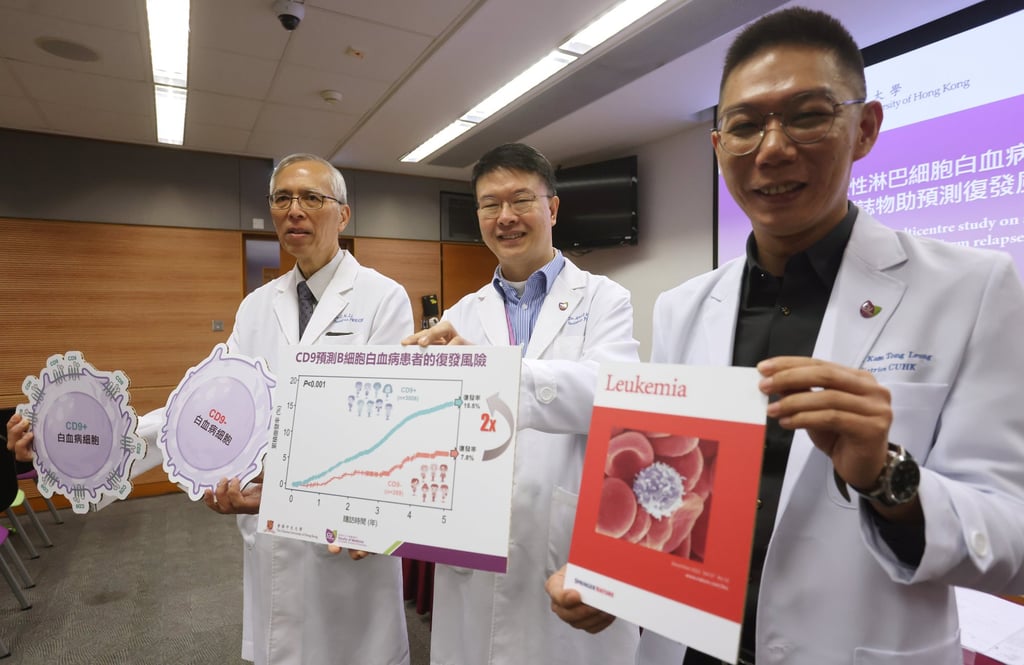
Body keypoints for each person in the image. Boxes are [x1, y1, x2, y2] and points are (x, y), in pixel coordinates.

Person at [546, 7, 1024, 665]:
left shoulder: (973, 290)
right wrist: (611, 579)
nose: (772, 147)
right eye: (744, 125)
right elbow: (672, 493)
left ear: (865, 128)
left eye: (807, 115)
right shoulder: (686, 307)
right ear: (720, 148)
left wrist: (887, 477)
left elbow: (1013, 540)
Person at [10, 153, 415, 665]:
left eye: (312, 198)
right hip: (273, 537)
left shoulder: (383, 298)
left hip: (344, 534)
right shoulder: (257, 306)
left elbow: (383, 429)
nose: (295, 211)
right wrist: (84, 443)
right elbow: (201, 410)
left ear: (343, 214)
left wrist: (288, 490)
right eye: (282, 198)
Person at [405, 142, 642, 665]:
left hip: (561, 540)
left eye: (520, 200)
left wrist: (491, 374)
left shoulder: (605, 299)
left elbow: (609, 392)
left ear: (552, 208)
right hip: (472, 541)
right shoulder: (461, 314)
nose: (505, 217)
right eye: (489, 205)